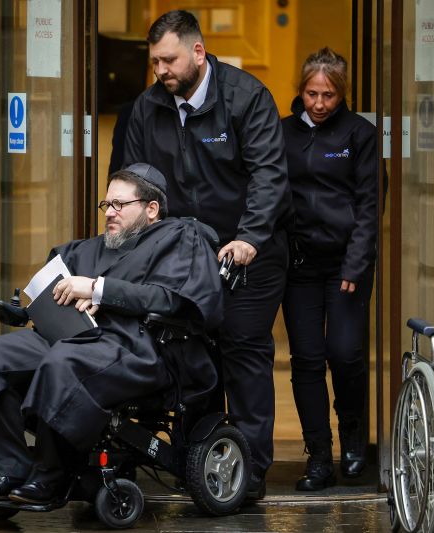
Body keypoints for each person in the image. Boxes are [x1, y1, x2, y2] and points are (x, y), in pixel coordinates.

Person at [0, 163, 224, 505]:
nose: (110, 212)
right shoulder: (84, 249)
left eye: (120, 204)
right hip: (71, 338)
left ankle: (51, 477)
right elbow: (53, 294)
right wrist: (28, 310)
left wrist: (97, 288)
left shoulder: (179, 239)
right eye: (107, 205)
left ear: (152, 209)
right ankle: (11, 468)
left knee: (62, 362)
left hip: (136, 347)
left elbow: (169, 298)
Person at [122, 10, 291, 498]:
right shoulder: (148, 106)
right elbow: (132, 180)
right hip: (184, 257)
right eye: (154, 62)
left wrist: (249, 237)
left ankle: (250, 472)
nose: (161, 71)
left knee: (243, 352)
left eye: (168, 60)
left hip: (249, 252)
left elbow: (268, 176)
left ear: (198, 52)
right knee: (191, 356)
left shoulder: (246, 97)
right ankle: (198, 468)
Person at [280, 48, 378, 491]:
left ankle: (354, 435)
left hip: (345, 263)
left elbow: (369, 207)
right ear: (300, 91)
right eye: (311, 94)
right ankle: (318, 455)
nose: (319, 104)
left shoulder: (360, 134)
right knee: (306, 360)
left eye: (329, 95)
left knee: (345, 353)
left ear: (342, 95)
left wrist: (356, 264)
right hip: (300, 263)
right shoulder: (283, 133)